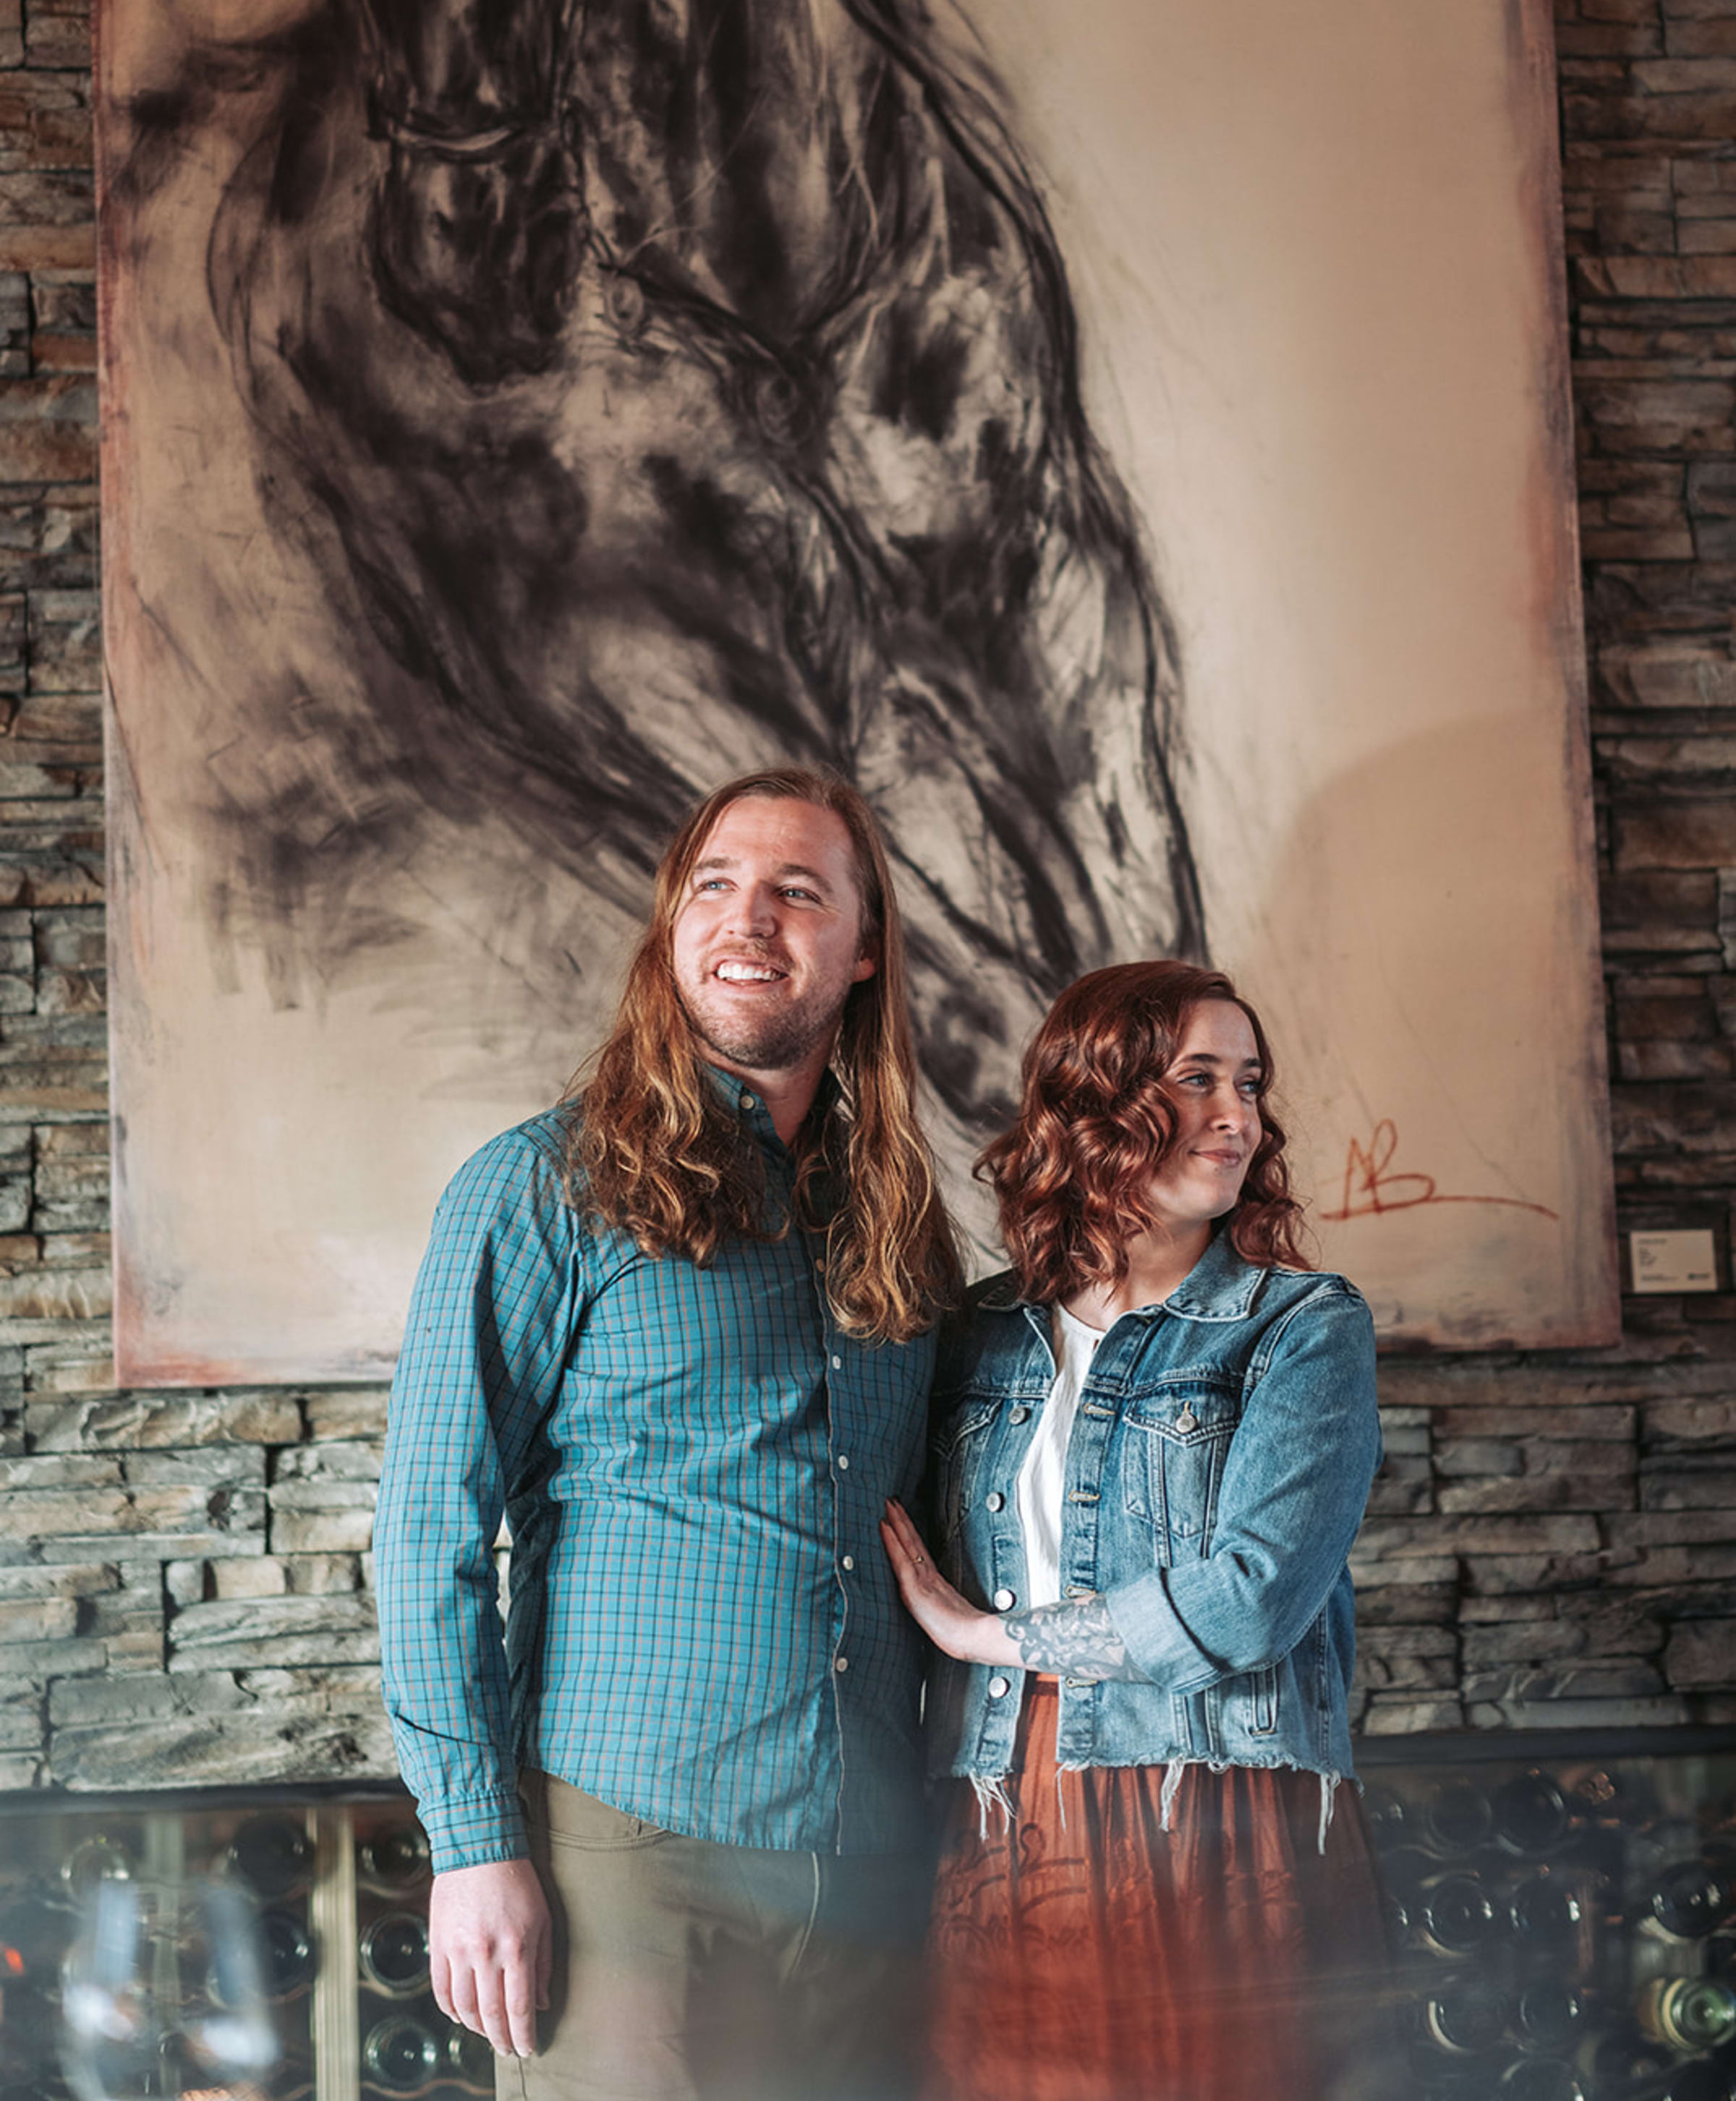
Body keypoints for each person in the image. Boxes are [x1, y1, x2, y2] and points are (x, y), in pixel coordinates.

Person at [375, 764, 961, 2101]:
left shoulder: (902, 1224)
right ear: (671, 931)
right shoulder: (544, 1187)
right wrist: (474, 1847)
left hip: (871, 1873)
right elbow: (428, 1532)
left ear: (864, 951)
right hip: (630, 1858)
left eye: (798, 892)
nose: (748, 919)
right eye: (716, 886)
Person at [880, 960, 1398, 2101]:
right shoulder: (974, 1331)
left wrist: (996, 1641)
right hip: (1003, 1798)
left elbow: (1255, 1598)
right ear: (1095, 1104)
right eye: (1197, 1080)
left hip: (1218, 1794)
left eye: (1250, 1084)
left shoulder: (1302, 1326)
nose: (1236, 1118)